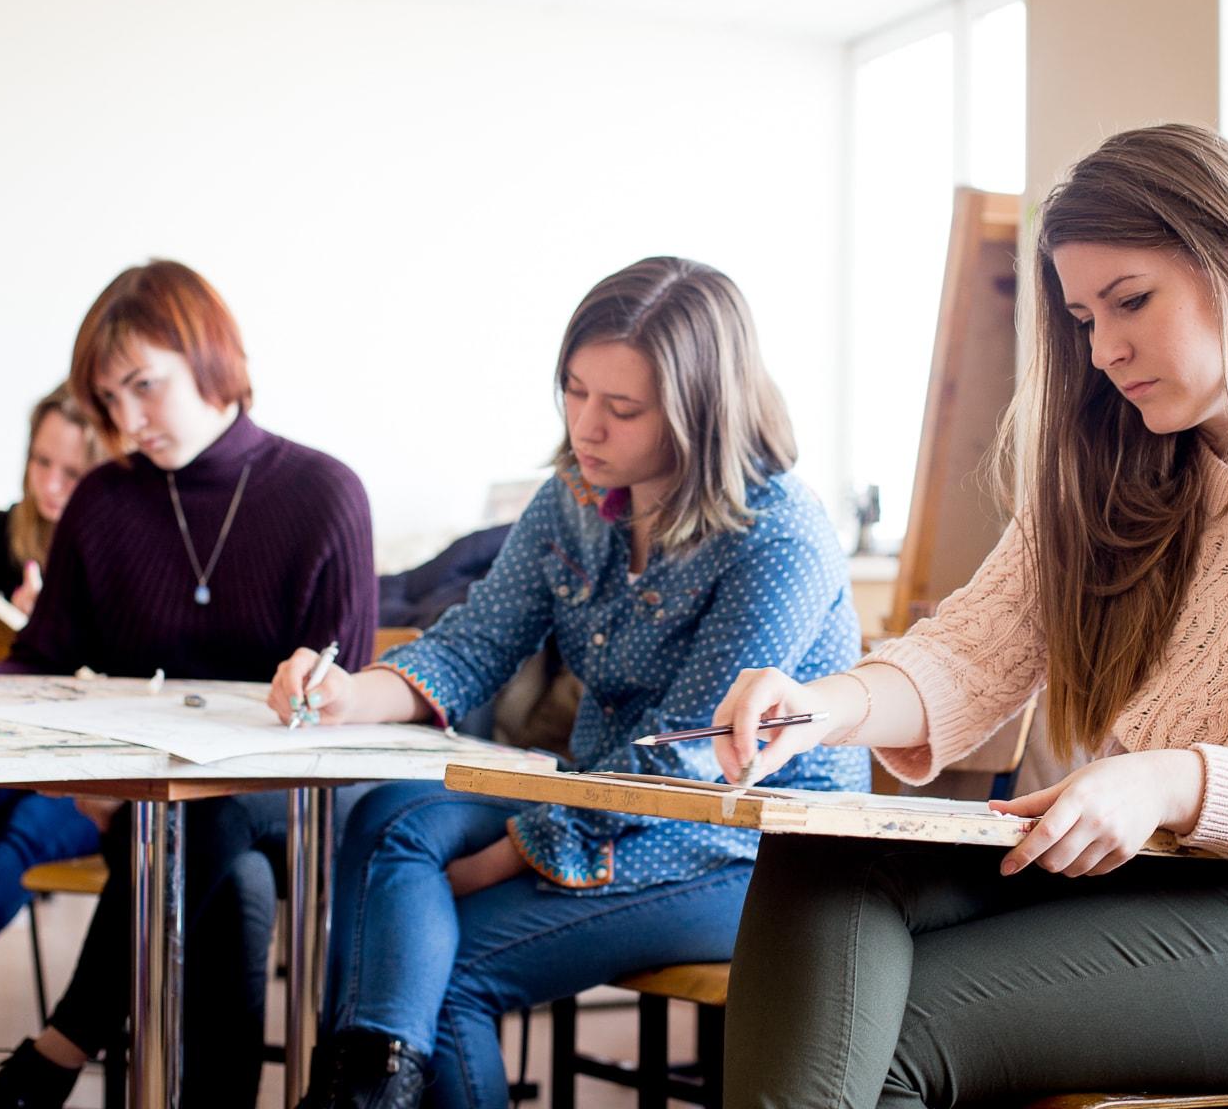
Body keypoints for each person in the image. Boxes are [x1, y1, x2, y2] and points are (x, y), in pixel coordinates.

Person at [709, 124, 1228, 1109]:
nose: (1106, 348)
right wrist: (817, 707)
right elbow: (977, 645)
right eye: (1084, 317)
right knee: (823, 856)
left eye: (1131, 302)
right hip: (1144, 871)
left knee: (881, 1039)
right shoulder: (1117, 453)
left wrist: (1164, 782)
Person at [274, 256, 870, 1109]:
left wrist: (493, 862)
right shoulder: (573, 498)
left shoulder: (782, 539)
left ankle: (361, 1086)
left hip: (750, 846)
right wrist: (346, 693)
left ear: (701, 412)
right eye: (574, 390)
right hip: (602, 798)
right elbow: (475, 643)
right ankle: (368, 1084)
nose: (586, 427)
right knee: (385, 818)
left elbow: (683, 755)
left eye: (621, 408)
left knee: (439, 971)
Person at [0, 259, 377, 1109]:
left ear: (211, 358)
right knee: (221, 867)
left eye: (144, 387)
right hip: (158, 810)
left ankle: (51, 1057)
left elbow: (343, 706)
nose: (126, 420)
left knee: (212, 810)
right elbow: (49, 658)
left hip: (304, 796)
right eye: (107, 397)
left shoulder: (323, 492)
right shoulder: (104, 501)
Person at [0, 383, 106, 614]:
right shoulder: (1, 533)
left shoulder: (128, 558)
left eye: (72, 473)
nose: (51, 486)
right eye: (42, 461)